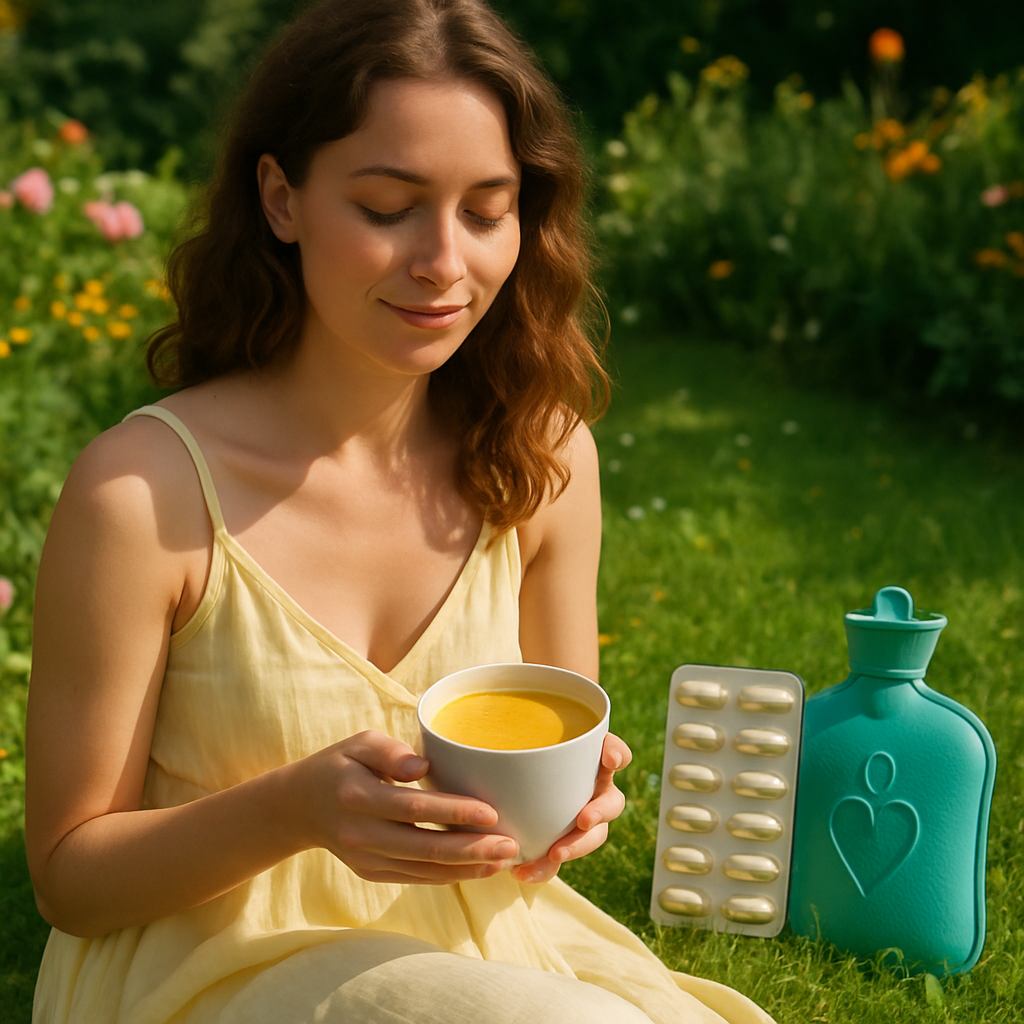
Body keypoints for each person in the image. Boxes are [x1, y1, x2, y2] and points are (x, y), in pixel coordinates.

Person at [25, 1, 776, 1021]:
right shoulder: (141, 493)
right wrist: (292, 810)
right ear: (281, 198)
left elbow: (535, 825)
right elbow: (71, 879)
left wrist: (569, 813)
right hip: (206, 972)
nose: (443, 262)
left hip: (485, 950)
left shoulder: (544, 458)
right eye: (387, 206)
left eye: (486, 209)